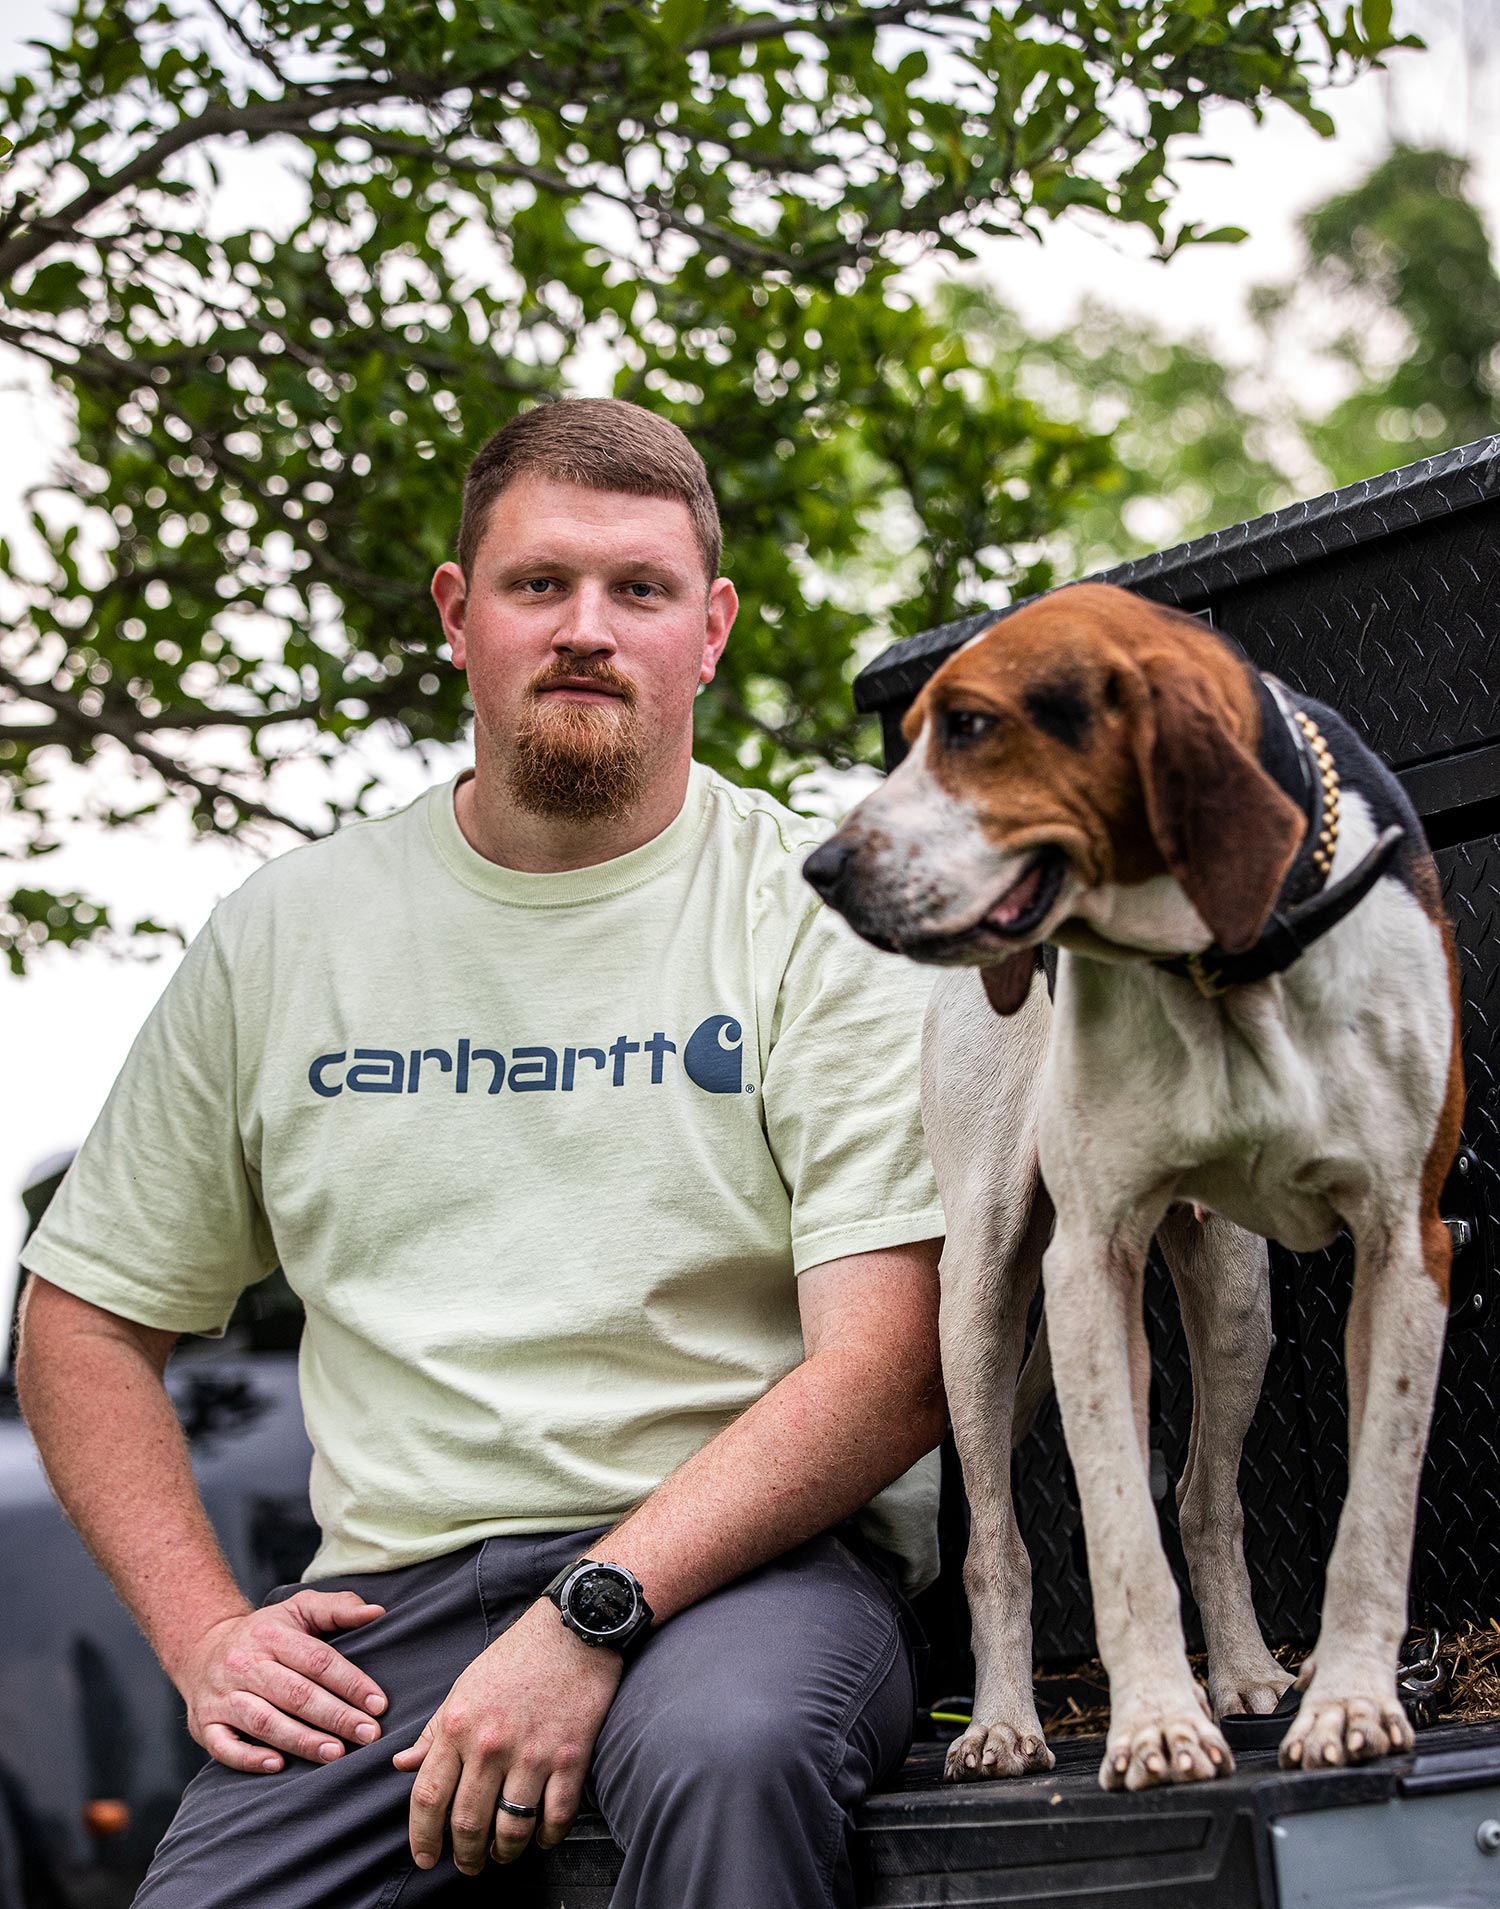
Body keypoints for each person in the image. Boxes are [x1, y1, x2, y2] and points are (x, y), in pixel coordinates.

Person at [17, 397, 947, 1909]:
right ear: (461, 615)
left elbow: (889, 1366)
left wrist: (592, 1612)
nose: (589, 628)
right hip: (388, 1614)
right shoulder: (291, 932)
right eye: (540, 585)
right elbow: (82, 1315)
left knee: (729, 1756)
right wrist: (203, 1632)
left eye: (638, 590)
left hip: (744, 1577)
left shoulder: (812, 912)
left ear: (707, 631)